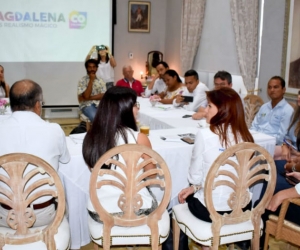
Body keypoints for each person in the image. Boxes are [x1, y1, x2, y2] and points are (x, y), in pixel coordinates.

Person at [178, 88, 254, 250]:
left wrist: (194, 187)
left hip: (212, 210)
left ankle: (206, 244)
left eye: (209, 106)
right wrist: (195, 187)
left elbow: (195, 177)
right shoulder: (247, 136)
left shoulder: (205, 135)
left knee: (181, 202)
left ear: (223, 109)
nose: (205, 111)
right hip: (242, 207)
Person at [0, 79, 70, 227]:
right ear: (38, 105)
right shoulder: (54, 130)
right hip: (43, 215)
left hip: (5, 215)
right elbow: (65, 160)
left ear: (11, 105)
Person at [82, 86, 157, 220]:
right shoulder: (139, 138)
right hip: (135, 209)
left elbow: (92, 166)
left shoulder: (91, 137)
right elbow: (151, 174)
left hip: (99, 210)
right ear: (124, 109)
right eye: (135, 105)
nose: (138, 108)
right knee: (157, 196)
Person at [250, 76, 294, 145]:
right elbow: (254, 126)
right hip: (257, 141)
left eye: (275, 87)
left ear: (283, 90)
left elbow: (281, 137)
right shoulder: (264, 107)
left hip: (272, 145)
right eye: (269, 87)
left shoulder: (287, 110)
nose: (272, 90)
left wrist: (263, 141)